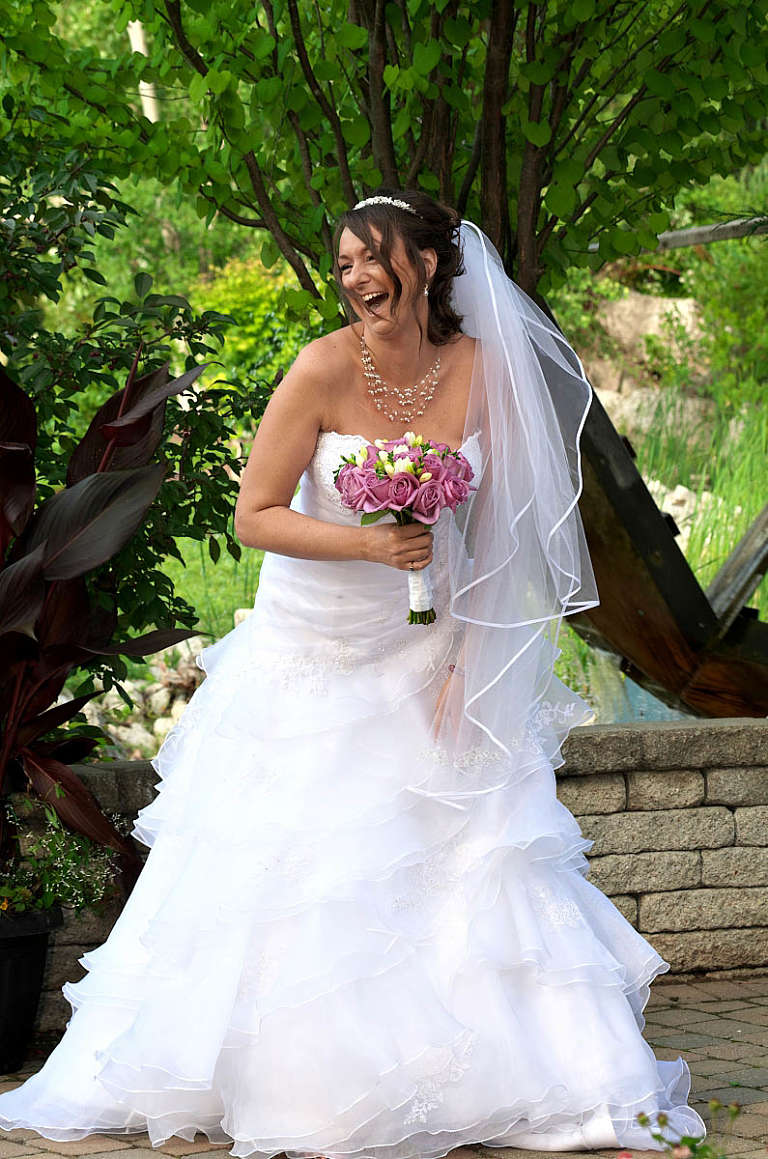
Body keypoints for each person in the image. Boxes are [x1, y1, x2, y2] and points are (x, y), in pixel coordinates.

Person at [0, 189, 706, 1157]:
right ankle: (301, 1083)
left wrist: (470, 662)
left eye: (373, 258)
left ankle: (477, 1073)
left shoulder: (483, 369)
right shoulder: (320, 368)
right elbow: (256, 515)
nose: (357, 278)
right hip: (315, 650)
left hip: (429, 648)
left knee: (465, 854)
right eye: (342, 266)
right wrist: (367, 548)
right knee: (307, 866)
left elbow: (499, 544)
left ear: (427, 265)